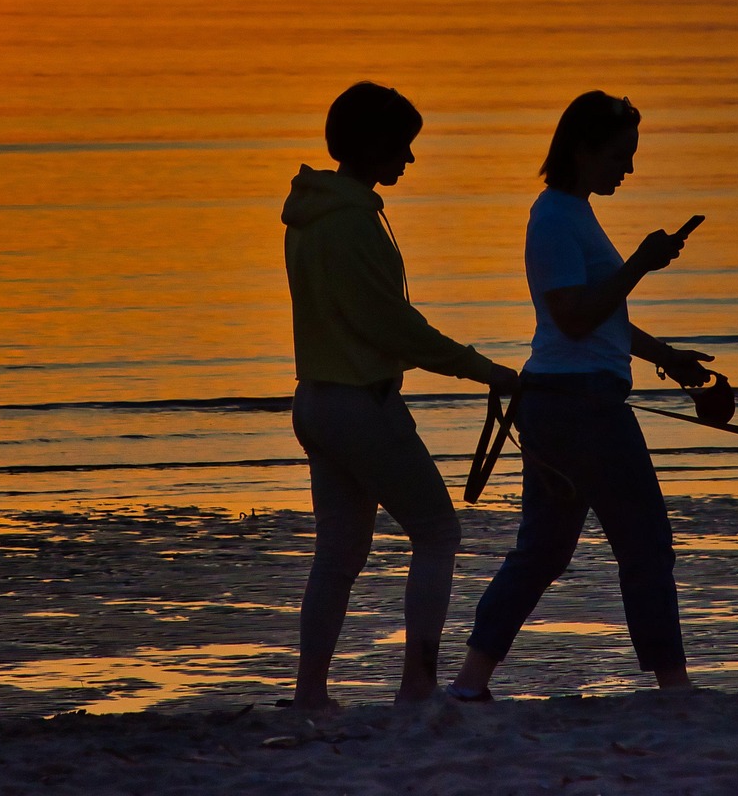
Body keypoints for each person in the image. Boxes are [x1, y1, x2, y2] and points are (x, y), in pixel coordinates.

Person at [448, 91, 714, 699]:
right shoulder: (553, 218)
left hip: (561, 402)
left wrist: (665, 356)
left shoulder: (571, 212)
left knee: (542, 553)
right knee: (644, 543)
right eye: (620, 156)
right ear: (582, 150)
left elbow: (598, 315)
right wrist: (641, 263)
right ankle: (674, 685)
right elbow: (571, 316)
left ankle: (469, 682)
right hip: (581, 405)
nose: (628, 169)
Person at [282, 81, 519, 711]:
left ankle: (310, 692)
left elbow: (374, 318)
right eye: (402, 145)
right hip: (361, 403)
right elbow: (393, 326)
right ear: (369, 144)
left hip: (316, 402)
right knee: (437, 531)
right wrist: (487, 371)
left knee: (340, 548)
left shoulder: (311, 214)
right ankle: (417, 684)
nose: (409, 159)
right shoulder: (351, 224)